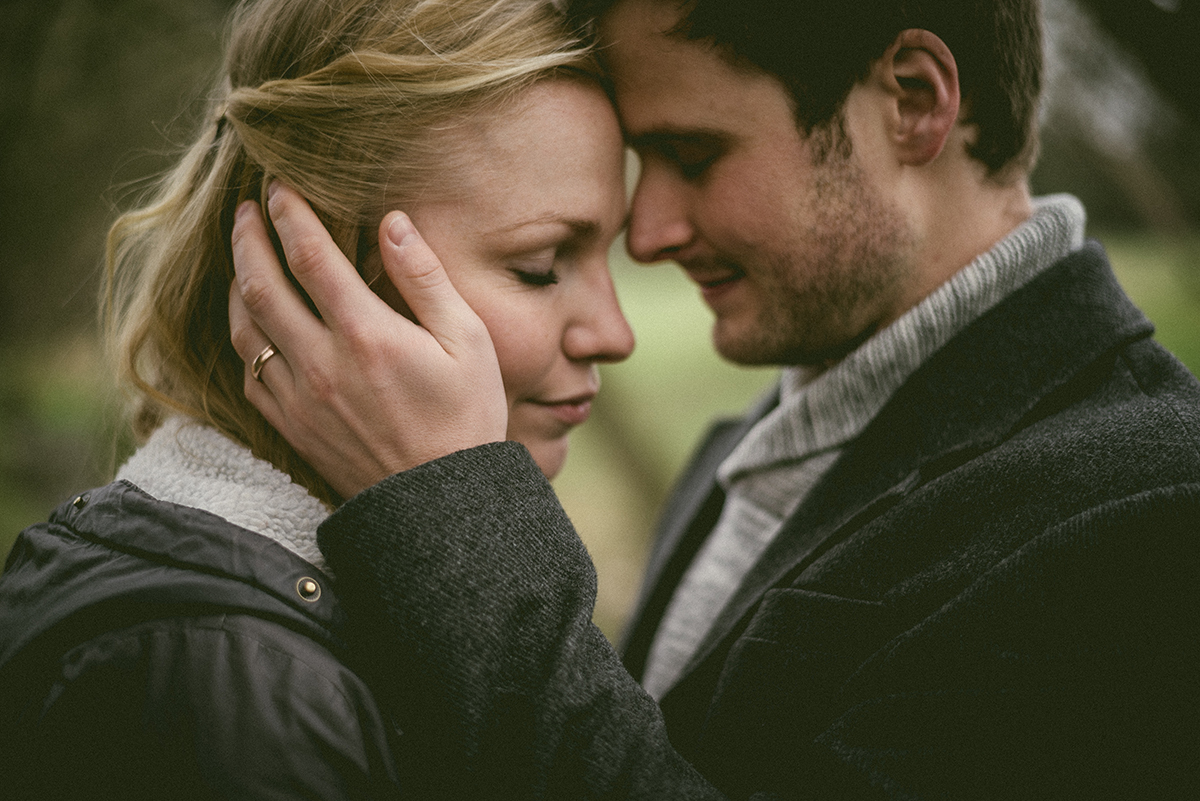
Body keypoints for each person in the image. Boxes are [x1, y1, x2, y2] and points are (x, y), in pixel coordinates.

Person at [228, 0, 1200, 797]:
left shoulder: (1150, 510)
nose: (645, 231)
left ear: (913, 100)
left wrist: (448, 508)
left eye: (694, 156)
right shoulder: (750, 450)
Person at [0, 0, 634, 797]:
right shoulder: (230, 685)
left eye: (609, 255)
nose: (615, 331)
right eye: (542, 264)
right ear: (312, 265)